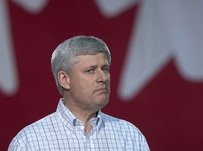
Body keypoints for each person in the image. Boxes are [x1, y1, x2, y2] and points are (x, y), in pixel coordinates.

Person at [8, 35, 150, 150]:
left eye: (105, 69)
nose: (103, 78)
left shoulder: (130, 136)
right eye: (90, 70)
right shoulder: (29, 142)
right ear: (65, 79)